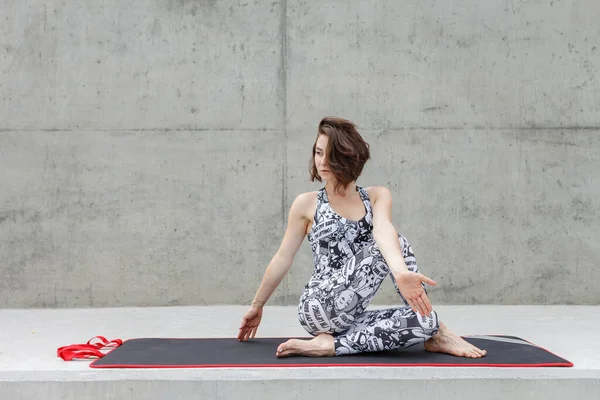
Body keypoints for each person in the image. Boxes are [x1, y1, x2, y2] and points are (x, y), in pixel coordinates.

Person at [237, 117, 487, 358]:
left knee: (426, 321)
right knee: (396, 244)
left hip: (351, 314)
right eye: (318, 152)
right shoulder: (307, 203)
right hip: (319, 304)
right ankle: (442, 333)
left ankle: (332, 345)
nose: (322, 161)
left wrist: (400, 272)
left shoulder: (377, 196)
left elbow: (383, 229)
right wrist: (257, 305)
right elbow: (283, 258)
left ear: (348, 156)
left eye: (330, 154)